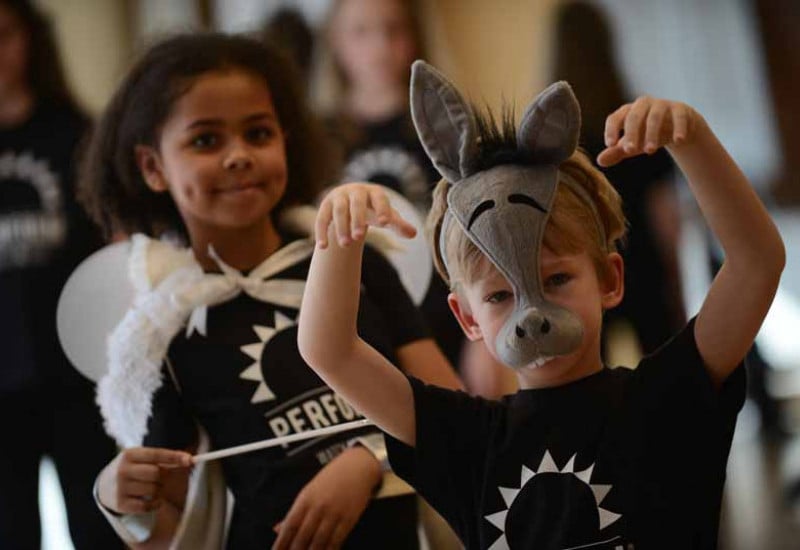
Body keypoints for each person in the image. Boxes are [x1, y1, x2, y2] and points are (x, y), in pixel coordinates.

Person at [297, 60, 785, 548]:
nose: (529, 313)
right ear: (467, 317)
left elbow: (756, 263)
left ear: (611, 280)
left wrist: (691, 139)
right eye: (498, 295)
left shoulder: (667, 396)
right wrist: (337, 232)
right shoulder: (465, 441)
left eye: (556, 279)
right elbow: (329, 350)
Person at [80, 33, 461, 549]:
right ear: (152, 167)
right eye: (205, 140)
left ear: (286, 138)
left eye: (258, 133)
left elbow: (457, 418)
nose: (238, 156)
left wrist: (370, 459)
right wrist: (116, 496)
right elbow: (170, 528)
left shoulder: (355, 260)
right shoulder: (163, 331)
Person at [321, 0, 516, 397]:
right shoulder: (319, 138)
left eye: (393, 30)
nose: (380, 45)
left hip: (446, 315)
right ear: (336, 44)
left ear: (414, 38)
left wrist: (483, 336)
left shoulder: (444, 128)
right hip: (360, 327)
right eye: (361, 32)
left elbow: (481, 230)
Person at [0, 1, 122, 548]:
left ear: (29, 39)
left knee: (99, 526)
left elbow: (117, 251)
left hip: (78, 373)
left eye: (3, 35)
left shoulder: (79, 135)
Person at [551, 1, 684, 357]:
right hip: (645, 264)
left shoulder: (557, 138)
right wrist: (675, 278)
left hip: (585, 272)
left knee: (593, 381)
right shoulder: (636, 123)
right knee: (664, 371)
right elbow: (664, 216)